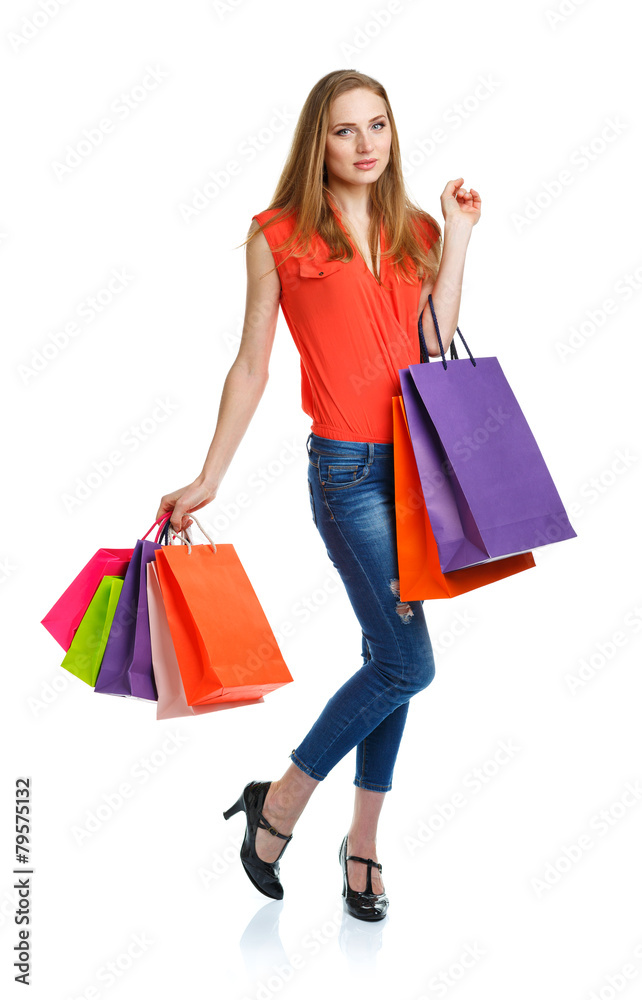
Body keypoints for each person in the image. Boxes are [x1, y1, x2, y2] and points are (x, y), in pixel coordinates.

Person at [156, 69, 481, 921]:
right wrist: (210, 476)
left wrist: (459, 237)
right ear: (318, 141)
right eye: (346, 131)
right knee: (408, 661)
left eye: (378, 125)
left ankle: (361, 844)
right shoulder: (280, 235)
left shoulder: (414, 228)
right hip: (347, 475)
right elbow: (254, 364)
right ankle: (286, 800)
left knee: (392, 663)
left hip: (418, 471)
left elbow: (434, 343)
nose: (367, 144)